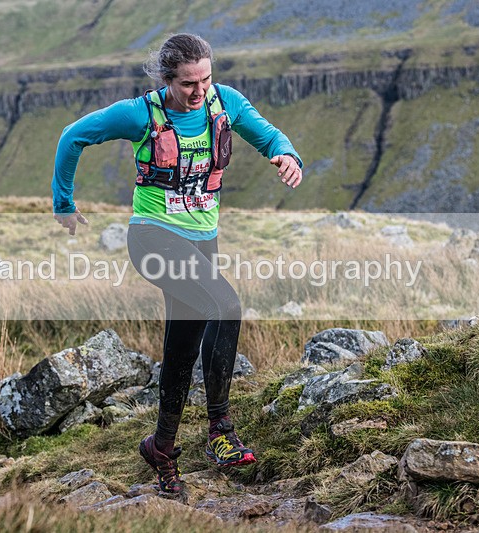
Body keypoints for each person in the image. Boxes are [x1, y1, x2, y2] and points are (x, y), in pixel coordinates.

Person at [52, 33, 303, 494]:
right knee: (226, 306)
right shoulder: (140, 114)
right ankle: (220, 432)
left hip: (202, 241)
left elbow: (267, 134)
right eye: (189, 83)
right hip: (153, 238)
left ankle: (161, 448)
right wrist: (63, 202)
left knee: (183, 346)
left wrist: (286, 154)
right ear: (166, 80)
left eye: (206, 78)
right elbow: (73, 137)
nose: (200, 90)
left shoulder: (225, 103)